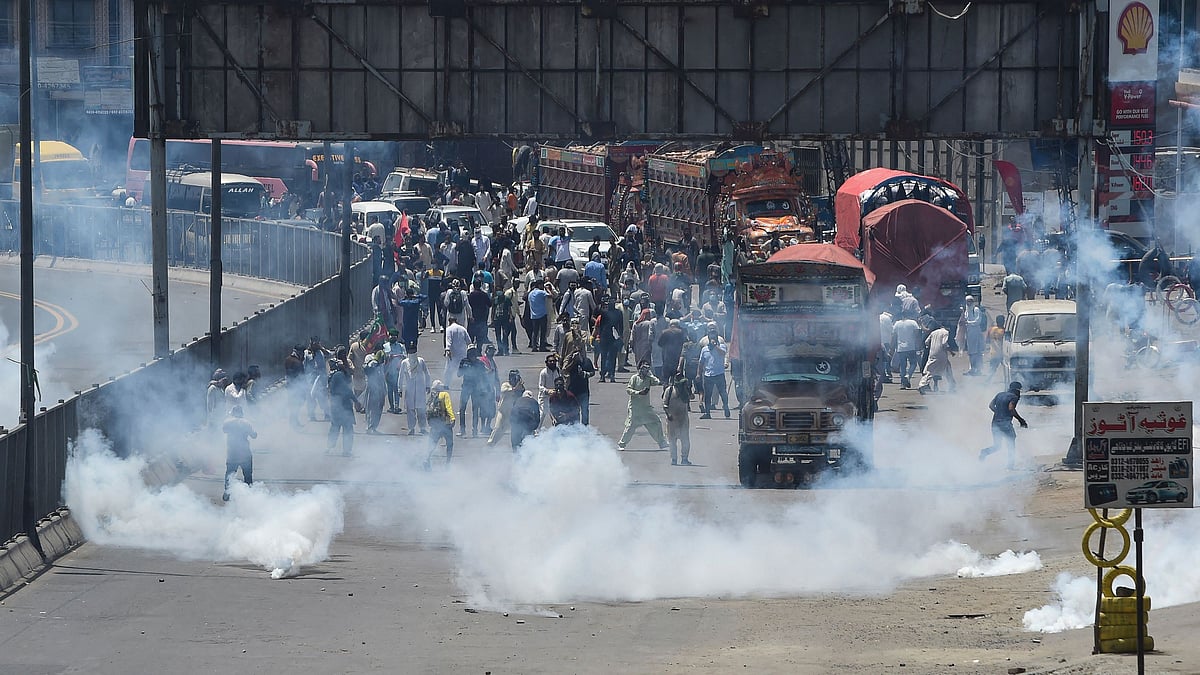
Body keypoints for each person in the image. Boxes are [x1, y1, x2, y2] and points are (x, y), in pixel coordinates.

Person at [617, 360, 669, 451]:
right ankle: (622, 444)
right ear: (639, 368)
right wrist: (638, 393)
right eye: (643, 368)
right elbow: (628, 390)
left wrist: (650, 374)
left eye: (647, 368)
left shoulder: (648, 378)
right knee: (630, 426)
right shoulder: (634, 378)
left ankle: (662, 442)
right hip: (635, 407)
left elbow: (657, 382)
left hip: (646, 408)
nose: (644, 370)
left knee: (656, 422)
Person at [980, 381, 1028, 469]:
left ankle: (984, 452)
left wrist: (999, 412)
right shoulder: (1014, 397)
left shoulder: (1000, 394)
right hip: (1005, 424)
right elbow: (1011, 408)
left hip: (995, 423)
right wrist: (1021, 420)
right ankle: (1010, 465)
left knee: (997, 446)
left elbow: (990, 405)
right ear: (1017, 390)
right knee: (1011, 443)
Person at [221, 405, 257, 502]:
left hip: (232, 453)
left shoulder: (227, 422)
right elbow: (254, 435)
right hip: (244, 452)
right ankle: (249, 494)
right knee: (248, 474)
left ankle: (227, 492)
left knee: (230, 473)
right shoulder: (246, 423)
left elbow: (224, 430)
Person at [326, 358, 359, 456]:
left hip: (336, 406)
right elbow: (346, 390)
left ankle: (330, 447)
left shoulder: (334, 376)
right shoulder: (339, 375)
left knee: (335, 427)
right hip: (343, 406)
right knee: (348, 428)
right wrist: (356, 400)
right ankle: (346, 450)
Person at [698, 325, 730, 418]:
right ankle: (707, 413)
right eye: (711, 338)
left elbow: (723, 353)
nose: (712, 339)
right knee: (708, 395)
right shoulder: (704, 349)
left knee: (723, 392)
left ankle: (726, 407)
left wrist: (715, 346)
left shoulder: (722, 346)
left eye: (714, 338)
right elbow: (701, 362)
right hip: (708, 375)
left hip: (719, 374)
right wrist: (698, 374)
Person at [398, 345, 431, 435]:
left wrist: (428, 385)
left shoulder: (421, 361)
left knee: (421, 410)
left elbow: (427, 373)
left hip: (420, 388)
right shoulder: (404, 363)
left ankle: (423, 428)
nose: (412, 353)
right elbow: (400, 377)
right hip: (410, 389)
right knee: (410, 410)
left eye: (414, 351)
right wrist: (399, 389)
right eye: (411, 351)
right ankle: (411, 428)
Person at [662, 371, 693, 466]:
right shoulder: (669, 390)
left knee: (685, 440)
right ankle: (674, 459)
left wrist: (687, 389)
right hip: (672, 420)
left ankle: (684, 459)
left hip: (683, 419)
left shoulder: (685, 391)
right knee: (672, 440)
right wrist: (668, 415)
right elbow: (665, 405)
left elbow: (691, 397)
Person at [488, 369, 526, 445]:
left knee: (503, 430)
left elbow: (521, 393)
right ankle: (490, 443)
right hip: (502, 411)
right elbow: (504, 391)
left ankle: (494, 443)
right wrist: (515, 388)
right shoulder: (506, 384)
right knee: (497, 427)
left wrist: (519, 386)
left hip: (511, 413)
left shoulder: (520, 386)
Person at [917, 322, 956, 394]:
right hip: (941, 354)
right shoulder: (945, 332)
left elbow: (926, 342)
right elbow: (944, 343)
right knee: (947, 370)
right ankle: (952, 386)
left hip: (932, 354)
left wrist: (931, 347)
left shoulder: (934, 332)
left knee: (929, 370)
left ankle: (922, 385)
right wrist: (951, 352)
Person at [425, 380, 456, 466]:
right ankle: (447, 463)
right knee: (450, 444)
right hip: (445, 424)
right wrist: (452, 418)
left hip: (435, 425)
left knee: (432, 444)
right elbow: (448, 407)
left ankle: (427, 459)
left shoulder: (432, 396)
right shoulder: (445, 394)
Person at [562, 349, 596, 425]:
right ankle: (575, 427)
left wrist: (585, 374)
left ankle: (585, 428)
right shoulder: (570, 362)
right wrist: (573, 361)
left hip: (584, 391)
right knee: (574, 410)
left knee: (585, 411)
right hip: (573, 390)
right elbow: (565, 370)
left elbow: (592, 372)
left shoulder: (587, 361)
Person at [595, 296, 624, 382]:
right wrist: (599, 336)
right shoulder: (604, 312)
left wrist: (620, 336)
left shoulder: (618, 312)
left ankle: (612, 375)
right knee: (604, 356)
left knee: (613, 356)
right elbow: (601, 326)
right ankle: (603, 375)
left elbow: (621, 326)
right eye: (610, 301)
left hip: (614, 337)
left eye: (613, 301)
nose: (611, 303)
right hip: (605, 336)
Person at [957, 296, 987, 376]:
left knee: (976, 352)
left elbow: (978, 321)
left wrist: (968, 323)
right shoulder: (966, 311)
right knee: (971, 352)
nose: (968, 303)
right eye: (967, 301)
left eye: (970, 301)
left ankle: (977, 369)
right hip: (969, 334)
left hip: (976, 333)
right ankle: (972, 369)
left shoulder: (976, 310)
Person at [891, 313, 921, 389]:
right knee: (913, 363)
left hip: (901, 348)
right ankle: (908, 375)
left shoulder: (897, 323)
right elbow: (917, 335)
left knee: (902, 366)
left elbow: (894, 336)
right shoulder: (913, 323)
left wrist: (892, 348)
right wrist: (918, 346)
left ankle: (902, 384)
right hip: (911, 347)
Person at [443, 314, 472, 382]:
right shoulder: (462, 328)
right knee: (464, 368)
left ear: (449, 322)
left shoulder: (448, 329)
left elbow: (448, 341)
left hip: (453, 353)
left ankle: (446, 384)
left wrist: (447, 350)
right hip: (463, 353)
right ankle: (465, 382)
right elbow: (469, 341)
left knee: (449, 369)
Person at [283, 346, 306, 427]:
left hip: (290, 385)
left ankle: (293, 421)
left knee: (293, 405)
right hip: (296, 387)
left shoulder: (287, 359)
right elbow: (301, 377)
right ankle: (294, 422)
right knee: (296, 405)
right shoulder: (297, 362)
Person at [537, 353, 561, 427]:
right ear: (546, 363)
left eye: (554, 361)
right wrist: (548, 391)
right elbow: (540, 386)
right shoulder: (543, 373)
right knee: (542, 414)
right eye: (550, 361)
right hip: (544, 397)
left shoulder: (558, 371)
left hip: (555, 397)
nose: (552, 363)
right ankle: (536, 431)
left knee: (556, 415)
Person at [985, 316, 1006, 382]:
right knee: (1007, 368)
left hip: (993, 353)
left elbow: (987, 340)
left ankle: (986, 382)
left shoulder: (991, 329)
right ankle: (1008, 381)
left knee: (992, 369)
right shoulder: (1003, 331)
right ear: (1003, 321)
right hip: (1002, 353)